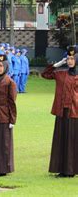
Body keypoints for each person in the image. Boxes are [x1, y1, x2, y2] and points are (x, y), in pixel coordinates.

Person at [41, 46, 77, 177]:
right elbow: (45, 74)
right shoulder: (61, 74)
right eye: (68, 58)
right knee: (61, 140)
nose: (70, 61)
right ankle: (61, 169)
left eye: (72, 58)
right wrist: (57, 64)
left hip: (74, 112)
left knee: (72, 141)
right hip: (62, 112)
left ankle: (71, 170)